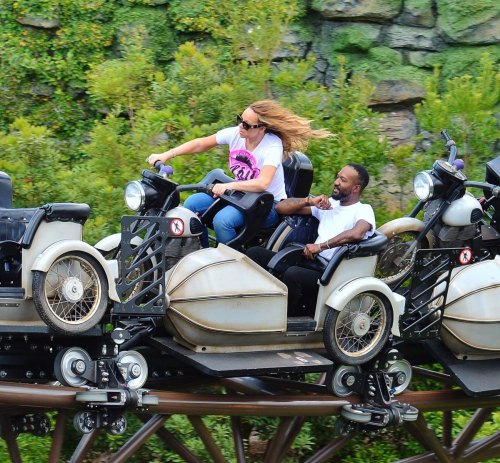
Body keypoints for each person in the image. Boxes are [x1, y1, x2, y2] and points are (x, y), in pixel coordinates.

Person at [147, 100, 330, 248]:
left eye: (247, 124)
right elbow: (201, 143)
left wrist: (228, 186)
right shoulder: (236, 134)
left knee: (223, 221)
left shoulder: (272, 146)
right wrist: (167, 154)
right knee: (191, 205)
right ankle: (201, 253)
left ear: (261, 128)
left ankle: (227, 267)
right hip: (241, 196)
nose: (240, 126)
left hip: (267, 204)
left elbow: (263, 183)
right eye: (240, 119)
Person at [246, 163, 376, 317]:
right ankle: (248, 303)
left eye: (343, 180)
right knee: (254, 254)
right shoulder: (329, 205)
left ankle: (282, 321)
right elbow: (280, 208)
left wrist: (321, 246)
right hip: (310, 260)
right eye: (337, 177)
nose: (336, 182)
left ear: (356, 188)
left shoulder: (363, 210)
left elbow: (357, 233)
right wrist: (309, 201)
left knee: (293, 275)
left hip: (331, 272)